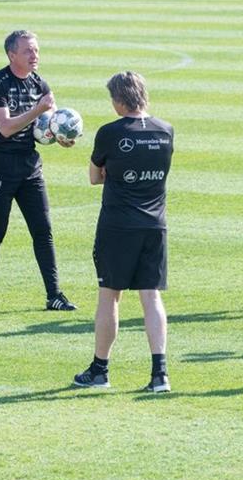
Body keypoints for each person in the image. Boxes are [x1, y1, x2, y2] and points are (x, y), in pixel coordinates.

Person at [72, 71, 174, 392]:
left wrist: (115, 174)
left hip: (117, 226)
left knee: (109, 296)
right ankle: (160, 374)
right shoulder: (165, 131)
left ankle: (100, 370)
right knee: (151, 296)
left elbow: (94, 177)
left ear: (118, 100)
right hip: (154, 225)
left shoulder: (110, 133)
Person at [0, 30, 77, 312]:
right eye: (28, 51)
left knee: (43, 230)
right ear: (12, 55)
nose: (35, 56)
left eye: (36, 50)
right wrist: (38, 109)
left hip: (30, 167)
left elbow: (48, 124)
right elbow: (6, 128)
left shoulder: (40, 84)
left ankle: (54, 295)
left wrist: (61, 136)